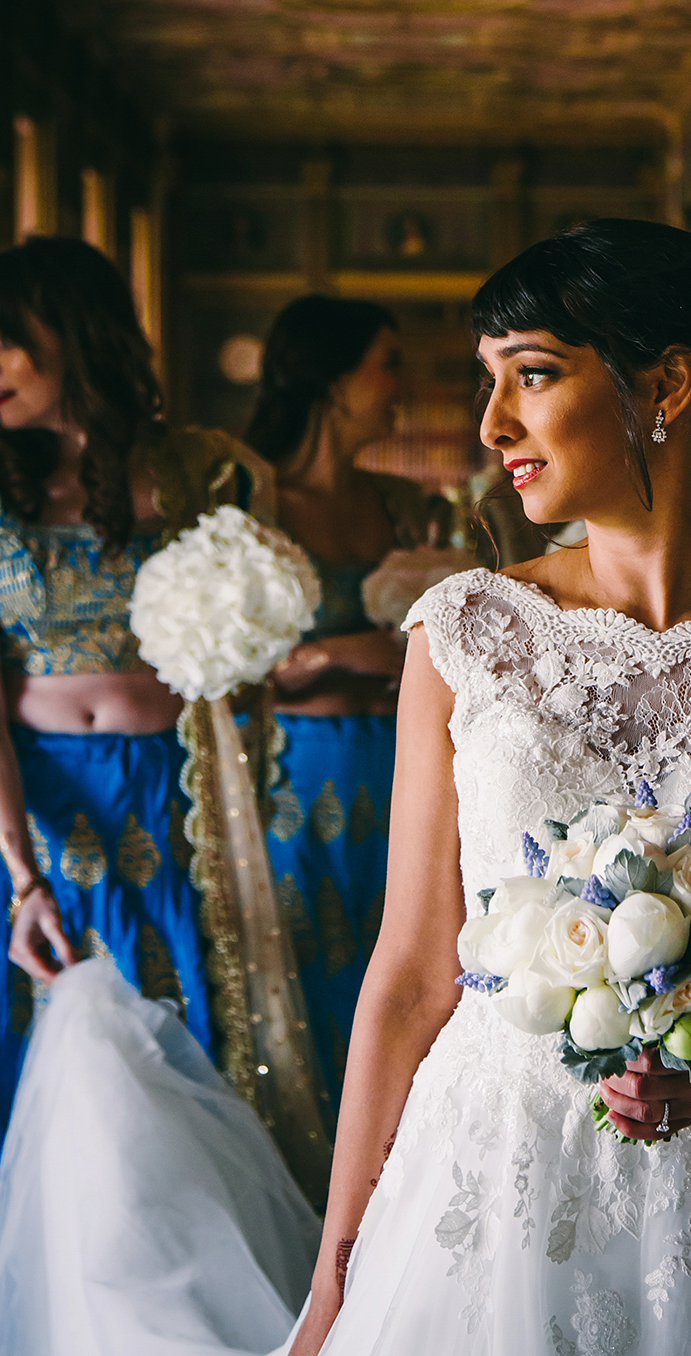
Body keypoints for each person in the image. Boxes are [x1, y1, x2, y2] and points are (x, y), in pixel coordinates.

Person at [0, 222, 691, 1356]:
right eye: (487, 383)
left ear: (669, 383)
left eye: (533, 376)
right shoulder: (466, 632)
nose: (492, 424)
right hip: (489, 1185)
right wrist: (335, 1277)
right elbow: (410, 975)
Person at [0, 236, 306, 1346]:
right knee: (13, 1096)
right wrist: (23, 874)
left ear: (77, 335)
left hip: (173, 801)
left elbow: (249, 657)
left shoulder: (201, 470)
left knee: (187, 1072)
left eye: (9, 337)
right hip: (33, 808)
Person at [245, 296, 428, 1111]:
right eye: (386, 361)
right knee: (309, 965)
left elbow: (444, 644)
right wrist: (361, 656)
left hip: (403, 763)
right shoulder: (250, 502)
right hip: (293, 778)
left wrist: (329, 655)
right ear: (331, 376)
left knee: (406, 961)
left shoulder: (403, 504)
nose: (401, 382)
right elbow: (246, 666)